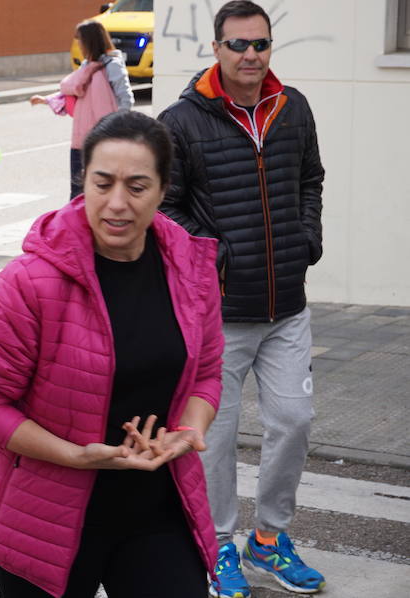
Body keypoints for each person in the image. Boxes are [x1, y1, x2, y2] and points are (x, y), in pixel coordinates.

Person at [0, 110, 223, 598]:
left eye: (137, 186)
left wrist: (188, 431)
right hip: (43, 516)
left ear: (165, 188)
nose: (117, 204)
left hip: (157, 506)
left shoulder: (191, 268)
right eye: (102, 184)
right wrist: (75, 456)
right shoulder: (28, 283)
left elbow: (207, 373)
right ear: (83, 180)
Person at [157, 2, 327, 596]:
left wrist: (308, 238)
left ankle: (270, 540)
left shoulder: (293, 107)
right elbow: (165, 207)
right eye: (238, 45)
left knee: (294, 420)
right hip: (219, 314)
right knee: (217, 437)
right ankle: (219, 546)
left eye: (260, 44)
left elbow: (311, 179)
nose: (250, 55)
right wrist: (216, 256)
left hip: (288, 306)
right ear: (216, 49)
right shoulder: (181, 121)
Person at [30, 19, 133, 199]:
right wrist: (45, 100)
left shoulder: (112, 65)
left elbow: (125, 99)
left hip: (105, 138)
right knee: (78, 190)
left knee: (101, 189)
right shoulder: (87, 66)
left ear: (91, 41)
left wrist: (118, 128)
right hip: (81, 138)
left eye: (80, 40)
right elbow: (72, 91)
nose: (78, 44)